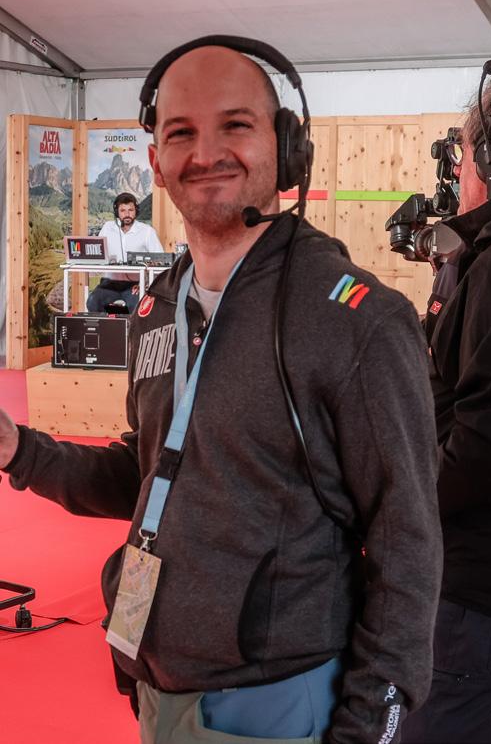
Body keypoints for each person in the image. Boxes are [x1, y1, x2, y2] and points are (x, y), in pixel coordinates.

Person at [0, 37, 442, 744]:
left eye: (235, 124)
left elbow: (407, 542)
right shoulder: (158, 306)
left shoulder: (357, 322)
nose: (206, 152)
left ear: (286, 148)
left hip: (280, 704)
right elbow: (146, 471)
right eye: (181, 132)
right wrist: (18, 449)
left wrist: (369, 727)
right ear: (156, 161)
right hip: (156, 689)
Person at [401, 70, 491, 743]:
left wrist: (399, 504)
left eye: (463, 156)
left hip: (477, 598)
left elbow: (485, 442)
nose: (457, 173)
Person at [86, 192, 164, 313]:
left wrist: (145, 284)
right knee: (92, 302)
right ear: (117, 212)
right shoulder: (107, 228)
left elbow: (161, 261)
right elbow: (99, 255)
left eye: (130, 210)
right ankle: (109, 324)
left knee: (137, 307)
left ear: (136, 211)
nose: (127, 214)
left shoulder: (147, 231)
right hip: (109, 284)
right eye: (123, 210)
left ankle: (129, 325)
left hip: (135, 284)